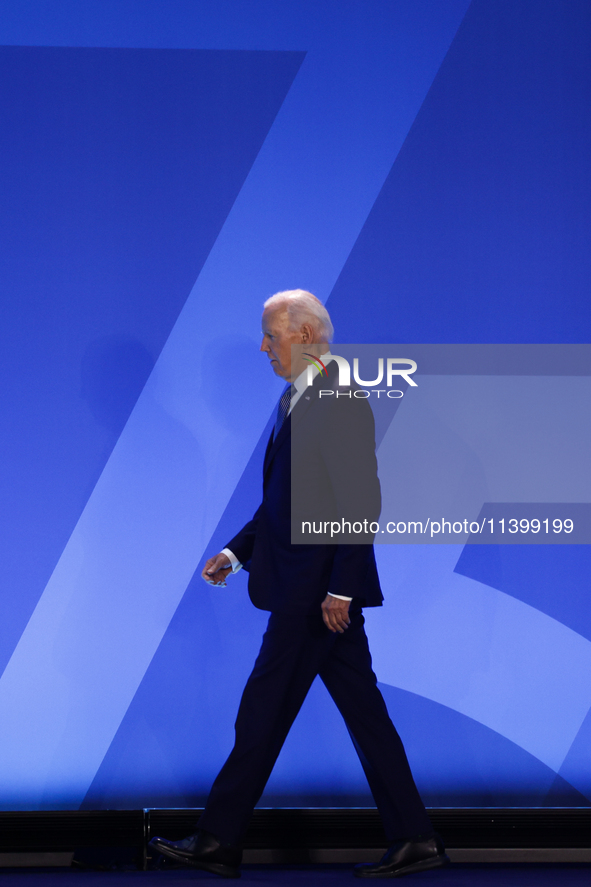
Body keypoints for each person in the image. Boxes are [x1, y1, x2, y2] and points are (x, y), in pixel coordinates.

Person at [149, 290, 448, 879]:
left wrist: (341, 589)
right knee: (366, 716)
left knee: (262, 711)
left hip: (315, 598)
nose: (264, 347)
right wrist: (237, 553)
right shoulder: (299, 399)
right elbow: (284, 504)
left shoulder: (337, 399)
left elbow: (361, 501)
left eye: (271, 335)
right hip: (314, 591)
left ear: (306, 334)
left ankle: (218, 839)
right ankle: (417, 838)